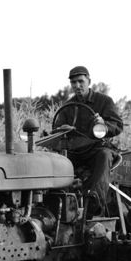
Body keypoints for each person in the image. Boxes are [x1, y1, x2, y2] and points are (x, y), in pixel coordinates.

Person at [54, 65, 124, 215]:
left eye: (81, 81)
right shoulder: (68, 106)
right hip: (75, 152)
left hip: (96, 149)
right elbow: (57, 130)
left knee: (104, 155)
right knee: (54, 160)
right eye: (73, 83)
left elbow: (117, 125)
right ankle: (56, 202)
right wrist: (62, 130)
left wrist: (103, 124)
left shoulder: (104, 101)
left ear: (89, 81)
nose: (77, 86)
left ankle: (94, 201)